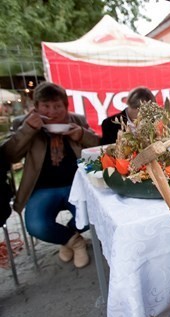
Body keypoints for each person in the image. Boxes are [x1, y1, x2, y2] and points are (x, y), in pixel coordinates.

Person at [2, 82, 100, 268]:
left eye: (57, 106)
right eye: (46, 106)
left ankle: (68, 239)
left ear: (66, 106)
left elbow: (98, 149)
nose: (52, 112)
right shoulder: (24, 123)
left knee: (92, 215)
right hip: (42, 189)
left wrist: (82, 135)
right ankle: (74, 241)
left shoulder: (77, 121)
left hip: (76, 186)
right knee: (37, 226)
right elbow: (10, 155)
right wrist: (28, 129)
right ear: (36, 108)